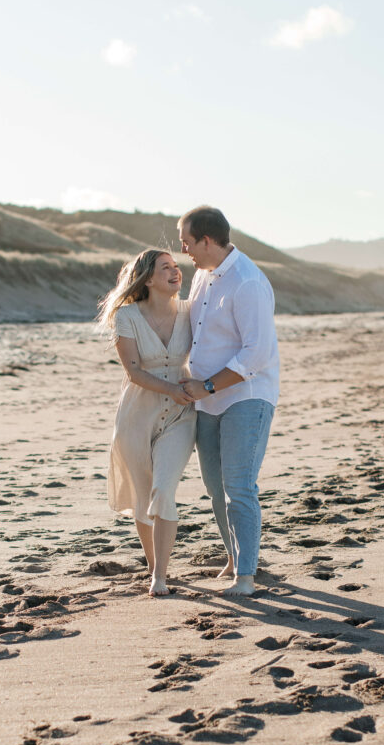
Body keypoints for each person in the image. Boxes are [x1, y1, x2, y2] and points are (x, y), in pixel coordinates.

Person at [178, 206, 279, 597]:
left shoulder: (247, 282)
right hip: (207, 399)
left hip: (245, 397)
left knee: (239, 485)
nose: (184, 249)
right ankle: (234, 558)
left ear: (207, 240)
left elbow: (257, 355)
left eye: (187, 242)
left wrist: (207, 386)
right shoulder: (202, 276)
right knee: (214, 487)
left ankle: (247, 577)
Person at [97, 248, 196, 596]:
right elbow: (134, 371)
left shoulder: (191, 311)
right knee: (143, 496)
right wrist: (172, 386)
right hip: (137, 415)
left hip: (181, 415)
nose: (175, 272)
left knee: (163, 489)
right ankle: (154, 564)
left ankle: (160, 577)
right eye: (165, 267)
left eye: (177, 266)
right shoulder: (127, 316)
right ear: (148, 278)